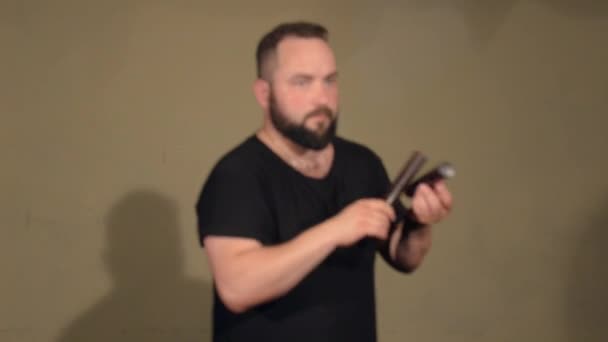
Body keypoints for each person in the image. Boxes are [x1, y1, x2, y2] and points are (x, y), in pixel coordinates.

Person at [195, 21, 453, 342]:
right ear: (264, 93)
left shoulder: (362, 163)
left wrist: (419, 221)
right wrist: (335, 230)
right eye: (302, 82)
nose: (322, 98)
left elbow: (405, 258)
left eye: (330, 81)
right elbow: (237, 287)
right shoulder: (236, 176)